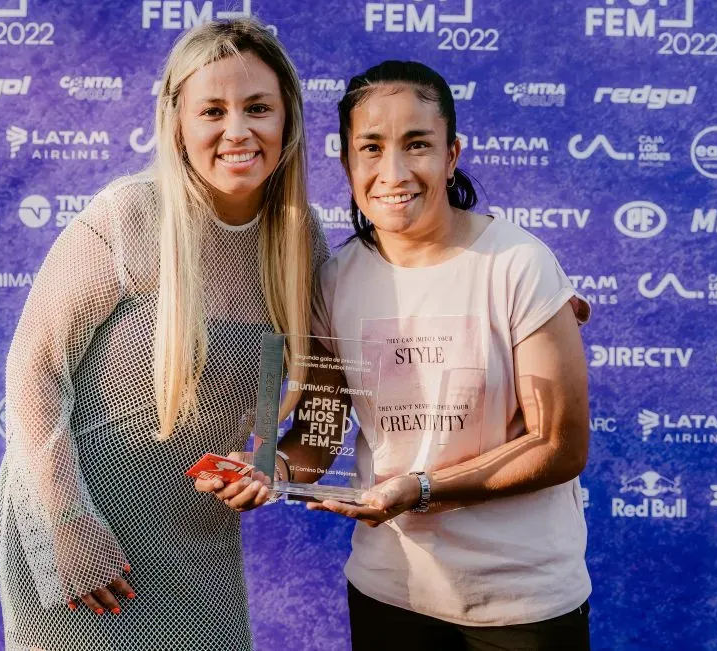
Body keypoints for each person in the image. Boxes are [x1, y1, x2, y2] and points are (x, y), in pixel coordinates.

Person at [203, 61, 593, 650]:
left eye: (418, 145)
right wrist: (275, 472)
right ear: (346, 163)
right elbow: (320, 431)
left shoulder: (518, 265)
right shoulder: (334, 279)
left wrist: (422, 488)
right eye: (371, 147)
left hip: (522, 605)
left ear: (452, 154)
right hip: (391, 593)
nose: (394, 171)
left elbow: (560, 446)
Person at [0, 18, 325, 651]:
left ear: (288, 120)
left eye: (258, 107)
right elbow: (33, 370)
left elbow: (306, 383)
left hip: (193, 535)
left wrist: (265, 466)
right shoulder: (129, 215)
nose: (238, 130)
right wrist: (67, 521)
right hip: (85, 526)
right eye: (213, 111)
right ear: (178, 124)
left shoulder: (300, 234)